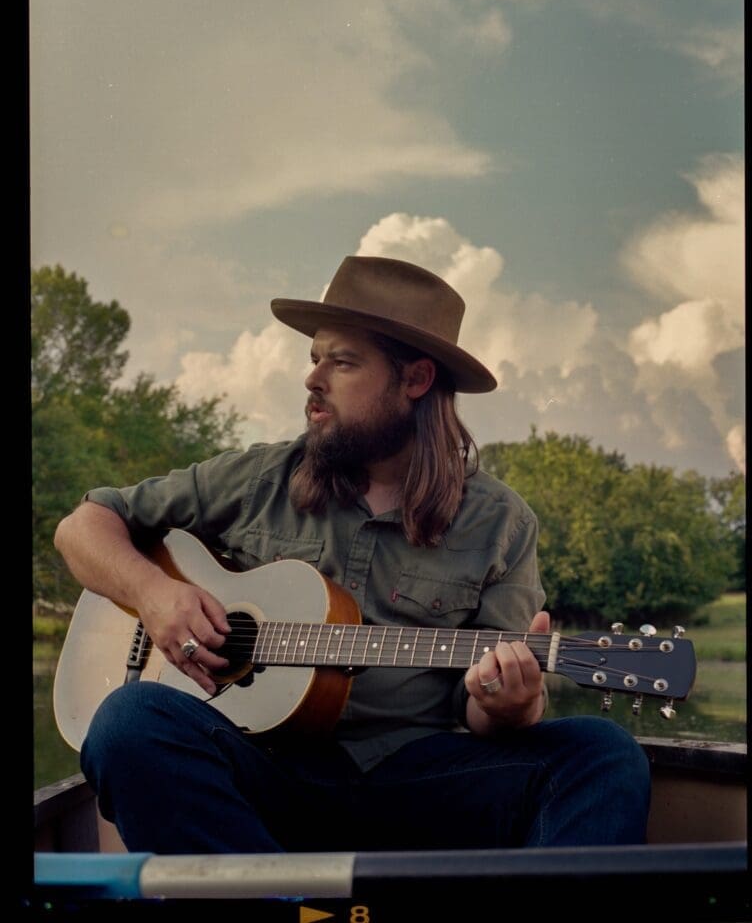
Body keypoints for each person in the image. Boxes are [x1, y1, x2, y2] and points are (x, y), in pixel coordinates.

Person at [54, 255, 650, 855]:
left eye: (341, 362)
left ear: (415, 380)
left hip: (419, 784)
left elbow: (484, 715)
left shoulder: (501, 523)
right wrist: (154, 595)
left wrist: (511, 705)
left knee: (603, 754)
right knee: (129, 722)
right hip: (261, 772)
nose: (313, 380)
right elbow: (84, 526)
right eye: (315, 359)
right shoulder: (260, 477)